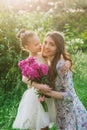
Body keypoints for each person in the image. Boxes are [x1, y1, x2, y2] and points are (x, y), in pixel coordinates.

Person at [12, 29, 71, 130]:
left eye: (40, 42)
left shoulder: (42, 55)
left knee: (45, 122)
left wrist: (68, 62)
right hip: (36, 96)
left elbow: (60, 55)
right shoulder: (28, 62)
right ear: (27, 47)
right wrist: (38, 86)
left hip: (47, 93)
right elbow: (24, 78)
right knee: (39, 122)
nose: (40, 46)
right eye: (36, 44)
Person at [37, 31, 87, 130]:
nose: (46, 46)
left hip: (72, 114)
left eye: (52, 44)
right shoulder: (48, 61)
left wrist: (47, 92)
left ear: (58, 48)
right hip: (61, 114)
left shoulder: (61, 66)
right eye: (45, 42)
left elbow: (70, 96)